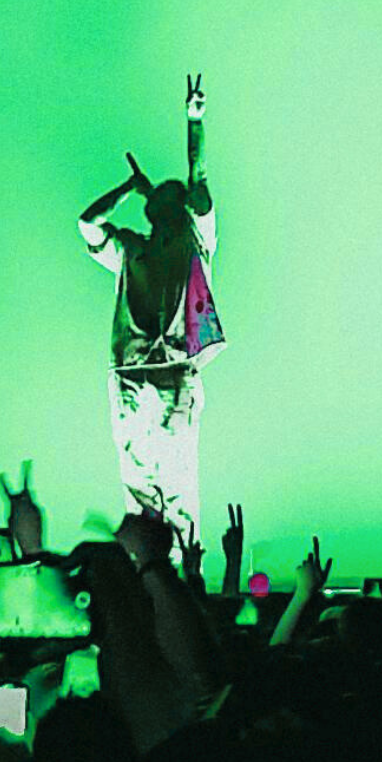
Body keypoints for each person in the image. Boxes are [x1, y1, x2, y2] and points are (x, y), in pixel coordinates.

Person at [80, 73, 224, 565]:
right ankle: (142, 576)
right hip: (127, 376)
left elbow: (200, 182)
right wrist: (129, 187)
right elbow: (87, 224)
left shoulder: (196, 243)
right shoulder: (131, 250)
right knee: (137, 486)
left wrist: (194, 122)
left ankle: (187, 576)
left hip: (172, 370)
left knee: (179, 486)